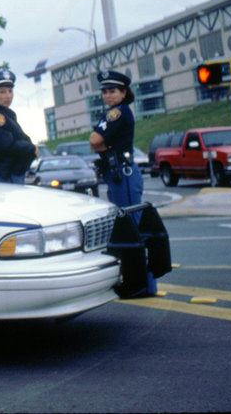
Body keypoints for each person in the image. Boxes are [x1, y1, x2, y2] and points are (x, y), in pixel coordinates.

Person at [89, 69, 156, 295]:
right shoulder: (114, 112)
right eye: (105, 92)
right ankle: (139, 282)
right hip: (118, 172)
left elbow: (95, 140)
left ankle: (142, 285)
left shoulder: (117, 113)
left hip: (123, 173)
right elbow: (95, 145)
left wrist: (105, 145)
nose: (108, 95)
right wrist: (107, 146)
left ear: (124, 92)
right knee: (126, 226)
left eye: (113, 91)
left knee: (131, 228)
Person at [0, 69, 36, 184]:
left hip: (10, 173)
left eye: (10, 91)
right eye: (2, 92)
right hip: (5, 175)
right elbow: (7, 145)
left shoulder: (7, 114)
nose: (8, 96)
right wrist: (31, 148)